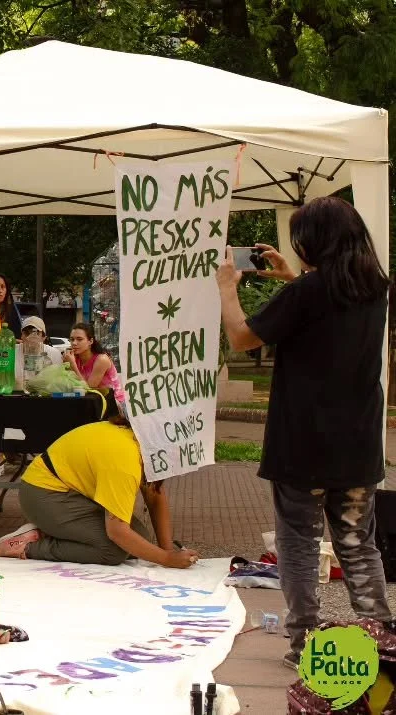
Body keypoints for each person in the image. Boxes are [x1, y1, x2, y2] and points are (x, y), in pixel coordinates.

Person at [217, 196, 393, 671]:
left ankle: (305, 645)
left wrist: (227, 288)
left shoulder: (306, 294)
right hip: (356, 445)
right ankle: (382, 641)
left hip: (302, 445)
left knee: (298, 542)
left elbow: (242, 336)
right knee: (359, 544)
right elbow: (326, 307)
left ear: (314, 242)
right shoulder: (375, 288)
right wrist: (292, 278)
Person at [0, 410, 200, 569]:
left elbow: (154, 494)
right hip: (42, 494)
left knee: (140, 541)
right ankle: (28, 546)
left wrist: (166, 550)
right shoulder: (125, 462)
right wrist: (166, 559)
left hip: (63, 490)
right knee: (113, 551)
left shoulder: (139, 442)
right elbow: (117, 532)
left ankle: (53, 531)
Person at [64, 322, 125, 403]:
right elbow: (68, 386)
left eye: (79, 339)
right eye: (72, 339)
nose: (74, 343)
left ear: (90, 341)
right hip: (90, 402)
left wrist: (72, 365)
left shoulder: (101, 359)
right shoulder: (73, 358)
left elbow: (89, 390)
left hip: (114, 404)